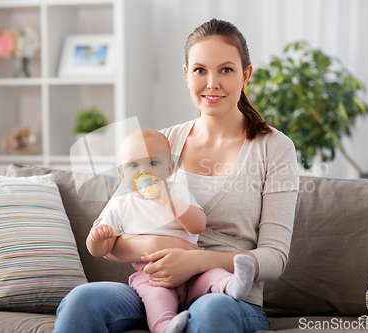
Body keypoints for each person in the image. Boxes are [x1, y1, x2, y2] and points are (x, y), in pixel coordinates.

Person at [54, 18, 299, 333]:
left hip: (224, 296)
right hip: (155, 289)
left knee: (211, 311)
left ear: (245, 75)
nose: (212, 83)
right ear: (186, 75)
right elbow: (113, 231)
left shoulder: (274, 148)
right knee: (82, 300)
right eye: (200, 70)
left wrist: (197, 261)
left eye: (226, 70)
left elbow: (275, 258)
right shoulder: (160, 143)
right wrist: (159, 247)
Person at [88, 128, 256, 333]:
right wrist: (97, 238)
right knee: (156, 299)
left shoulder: (176, 191)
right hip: (152, 274)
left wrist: (166, 200)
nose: (144, 172)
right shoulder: (120, 204)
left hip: (193, 268)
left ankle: (233, 285)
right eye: (134, 165)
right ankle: (166, 327)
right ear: (122, 173)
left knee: (213, 276)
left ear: (169, 168)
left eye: (153, 163)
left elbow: (198, 225)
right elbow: (103, 249)